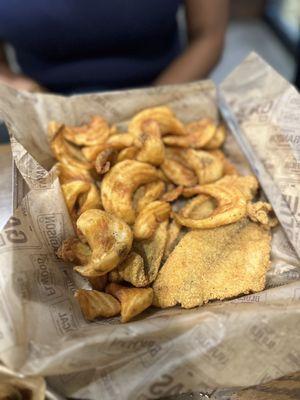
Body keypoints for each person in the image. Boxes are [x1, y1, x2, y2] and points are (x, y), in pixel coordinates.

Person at [0, 0, 228, 94]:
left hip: (166, 90)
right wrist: (30, 95)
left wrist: (149, 107)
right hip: (38, 101)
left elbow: (208, 35)